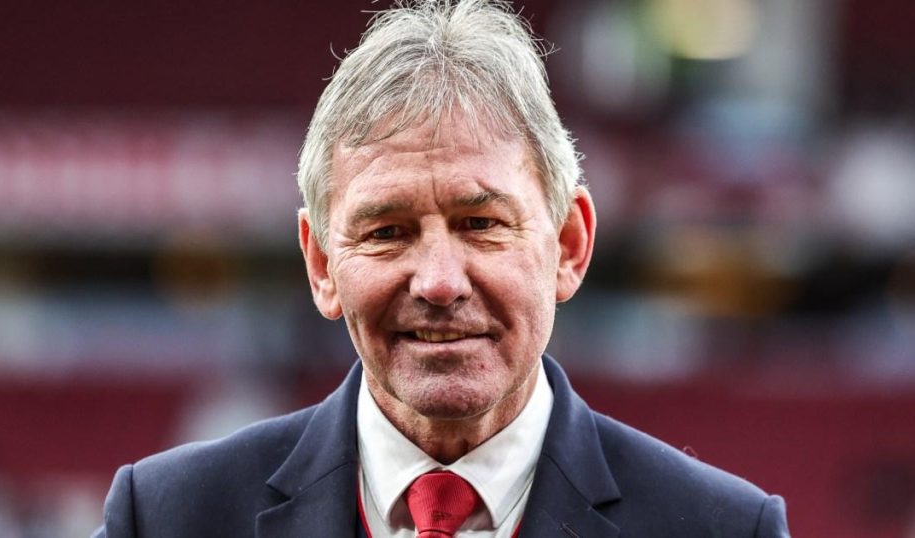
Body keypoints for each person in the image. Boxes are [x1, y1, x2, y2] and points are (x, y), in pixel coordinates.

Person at [94, 1, 790, 536]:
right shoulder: (166, 518)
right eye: (387, 232)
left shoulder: (724, 529)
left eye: (480, 224)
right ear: (321, 264)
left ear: (569, 245)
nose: (438, 282)